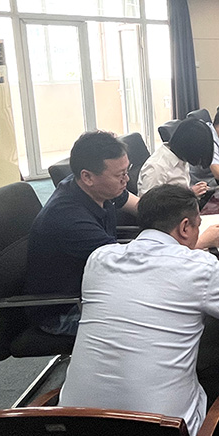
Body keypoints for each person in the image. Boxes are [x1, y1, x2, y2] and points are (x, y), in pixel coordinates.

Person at [59, 184, 219, 436]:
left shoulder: (99, 259)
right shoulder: (200, 268)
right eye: (197, 225)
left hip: (72, 426)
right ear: (184, 227)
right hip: (161, 429)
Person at [24, 131, 140, 335]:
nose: (126, 179)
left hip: (95, 287)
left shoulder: (96, 188)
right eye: (119, 175)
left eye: (126, 171)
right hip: (65, 310)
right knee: (156, 316)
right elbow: (128, 264)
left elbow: (141, 208)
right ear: (87, 177)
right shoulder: (69, 219)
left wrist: (175, 218)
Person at [138, 117, 213, 197]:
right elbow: (148, 203)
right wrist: (189, 195)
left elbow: (175, 192)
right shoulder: (157, 168)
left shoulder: (181, 157)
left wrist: (191, 191)